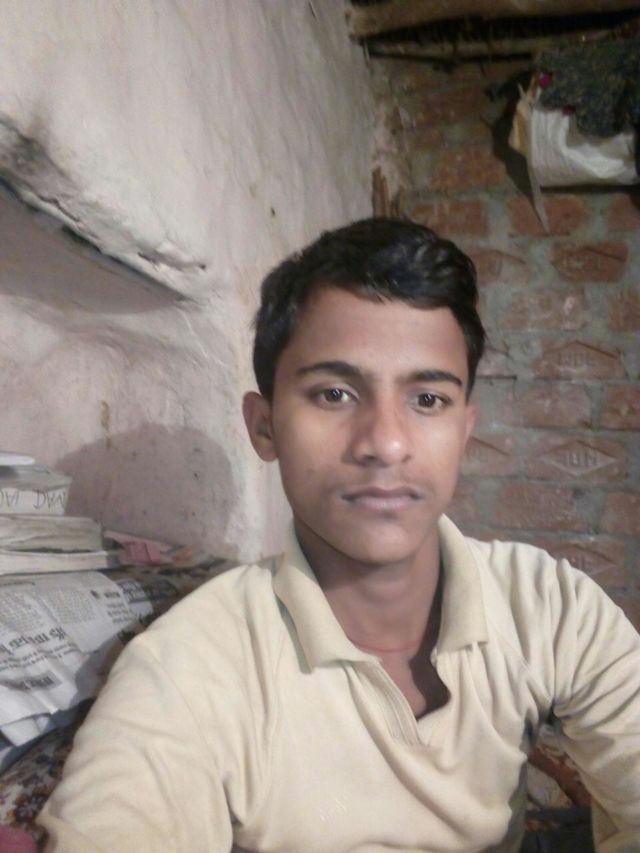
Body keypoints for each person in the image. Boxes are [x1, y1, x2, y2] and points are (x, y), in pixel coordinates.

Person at [39, 218, 640, 852]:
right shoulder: (187, 673)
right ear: (265, 427)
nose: (386, 443)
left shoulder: (551, 606)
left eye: (427, 400)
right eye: (334, 393)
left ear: (464, 430)